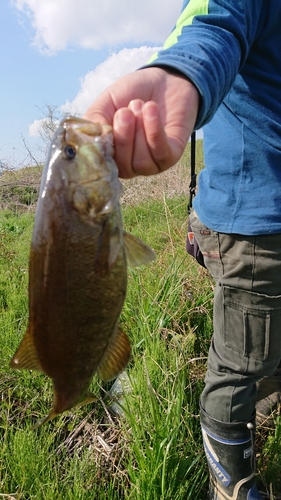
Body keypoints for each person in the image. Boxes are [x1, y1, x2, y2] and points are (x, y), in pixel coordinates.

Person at [84, 1, 281, 498]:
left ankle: (267, 401)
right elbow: (213, 24)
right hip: (255, 228)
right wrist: (178, 73)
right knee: (238, 362)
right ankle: (230, 480)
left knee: (265, 344)